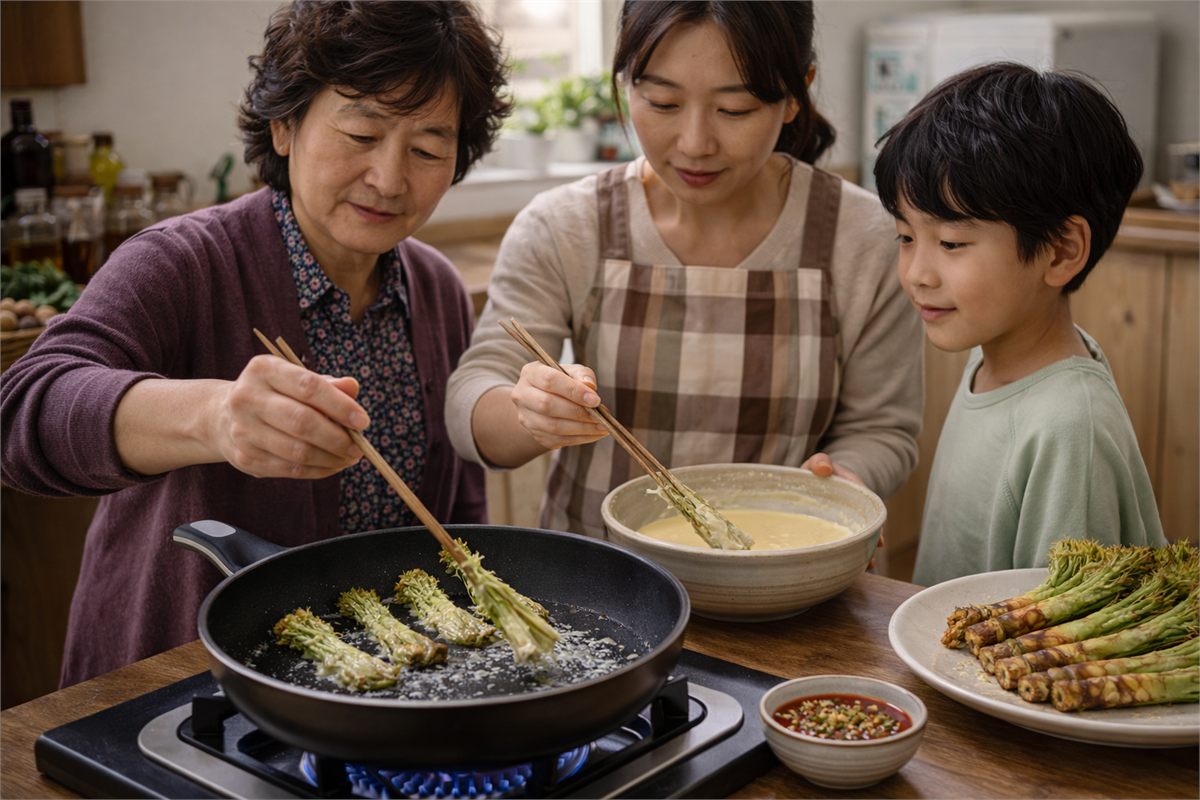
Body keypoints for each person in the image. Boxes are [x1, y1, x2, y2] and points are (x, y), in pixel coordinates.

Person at [0, 0, 509, 686]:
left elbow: (457, 513)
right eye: (362, 134)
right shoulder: (184, 262)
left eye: (426, 150)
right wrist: (213, 418)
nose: (390, 180)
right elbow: (22, 410)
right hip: (185, 687)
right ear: (284, 125)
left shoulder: (436, 287)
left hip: (384, 685)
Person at [446, 0, 922, 538]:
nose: (695, 143)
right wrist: (530, 412)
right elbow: (474, 397)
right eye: (663, 102)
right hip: (602, 582)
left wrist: (845, 479)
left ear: (796, 94)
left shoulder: (860, 238)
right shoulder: (566, 226)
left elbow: (882, 427)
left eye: (735, 110)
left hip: (776, 571)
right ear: (627, 83)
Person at [871, 62, 1168, 586]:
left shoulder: (1069, 427)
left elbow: (1060, 643)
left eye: (952, 244)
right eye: (905, 237)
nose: (917, 274)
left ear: (1060, 251)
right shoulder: (989, 356)